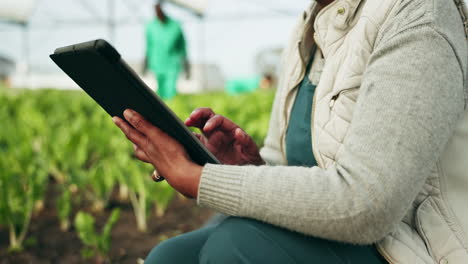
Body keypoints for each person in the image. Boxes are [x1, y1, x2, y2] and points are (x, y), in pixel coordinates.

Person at [113, 0, 468, 263]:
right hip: (336, 236)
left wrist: (201, 179)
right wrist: (247, 169)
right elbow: (288, 159)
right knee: (169, 258)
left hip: (404, 249)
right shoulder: (310, 28)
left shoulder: (419, 17)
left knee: (235, 248)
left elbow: (368, 204)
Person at [145, 1, 189, 100]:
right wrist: (144, 66)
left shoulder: (175, 26)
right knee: (159, 93)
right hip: (156, 64)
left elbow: (183, 48)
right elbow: (148, 47)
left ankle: (170, 113)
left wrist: (187, 67)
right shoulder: (150, 26)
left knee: (170, 92)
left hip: (172, 65)